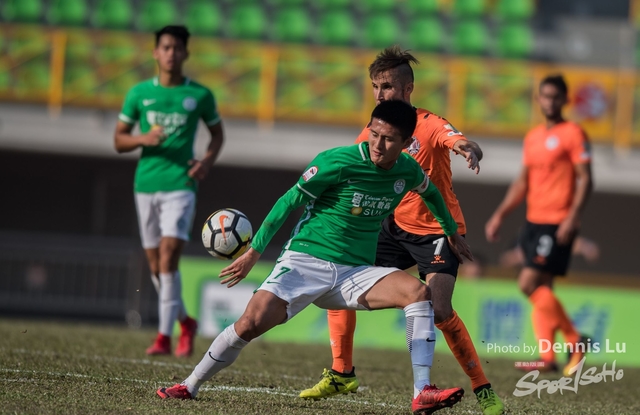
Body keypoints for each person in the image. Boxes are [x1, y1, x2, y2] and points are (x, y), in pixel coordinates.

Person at [157, 100, 470, 415]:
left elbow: (431, 192)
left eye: (388, 139)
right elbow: (288, 201)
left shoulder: (408, 169)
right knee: (250, 323)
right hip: (305, 262)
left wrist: (450, 232)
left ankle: (422, 391)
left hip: (355, 272)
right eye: (374, 134)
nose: (377, 144)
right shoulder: (337, 161)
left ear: (406, 142)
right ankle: (190, 384)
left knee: (418, 293)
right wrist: (254, 252)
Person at [299, 47, 504, 415]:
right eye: (375, 87)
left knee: (439, 310)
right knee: (339, 274)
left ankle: (482, 387)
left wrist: (468, 148)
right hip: (394, 228)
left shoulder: (429, 123)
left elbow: (456, 139)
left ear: (408, 89)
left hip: (438, 232)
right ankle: (341, 372)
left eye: (388, 86)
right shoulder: (372, 131)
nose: (380, 94)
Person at [114, 25, 224, 357]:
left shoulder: (200, 95)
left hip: (181, 184)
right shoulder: (139, 93)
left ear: (186, 53)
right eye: (165, 47)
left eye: (177, 48)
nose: (171, 53)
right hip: (146, 184)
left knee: (168, 257)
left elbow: (217, 134)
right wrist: (142, 138)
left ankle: (163, 337)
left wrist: (205, 162)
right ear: (155, 52)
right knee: (156, 266)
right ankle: (185, 322)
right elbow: (119, 140)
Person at [485, 75, 593, 376]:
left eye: (556, 96)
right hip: (533, 221)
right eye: (545, 96)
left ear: (565, 100)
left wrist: (572, 216)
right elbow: (523, 181)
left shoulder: (573, 133)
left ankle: (575, 340)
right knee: (542, 288)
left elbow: (586, 178)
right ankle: (547, 357)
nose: (550, 102)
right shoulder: (532, 137)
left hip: (557, 222)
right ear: (538, 99)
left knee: (527, 283)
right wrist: (500, 214)